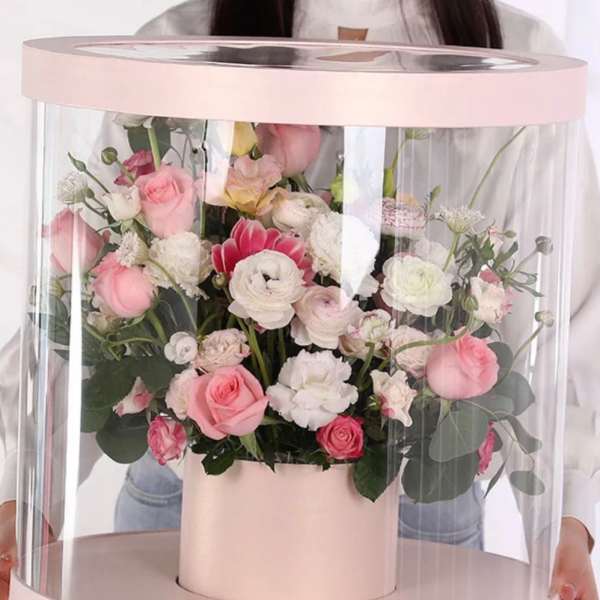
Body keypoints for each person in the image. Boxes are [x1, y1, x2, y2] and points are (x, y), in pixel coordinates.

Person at [1, 2, 599, 599]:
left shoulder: (515, 59)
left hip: (417, 501)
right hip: (194, 493)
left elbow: (563, 323)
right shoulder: (177, 46)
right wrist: (22, 496)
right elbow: (90, 301)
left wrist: (567, 521)